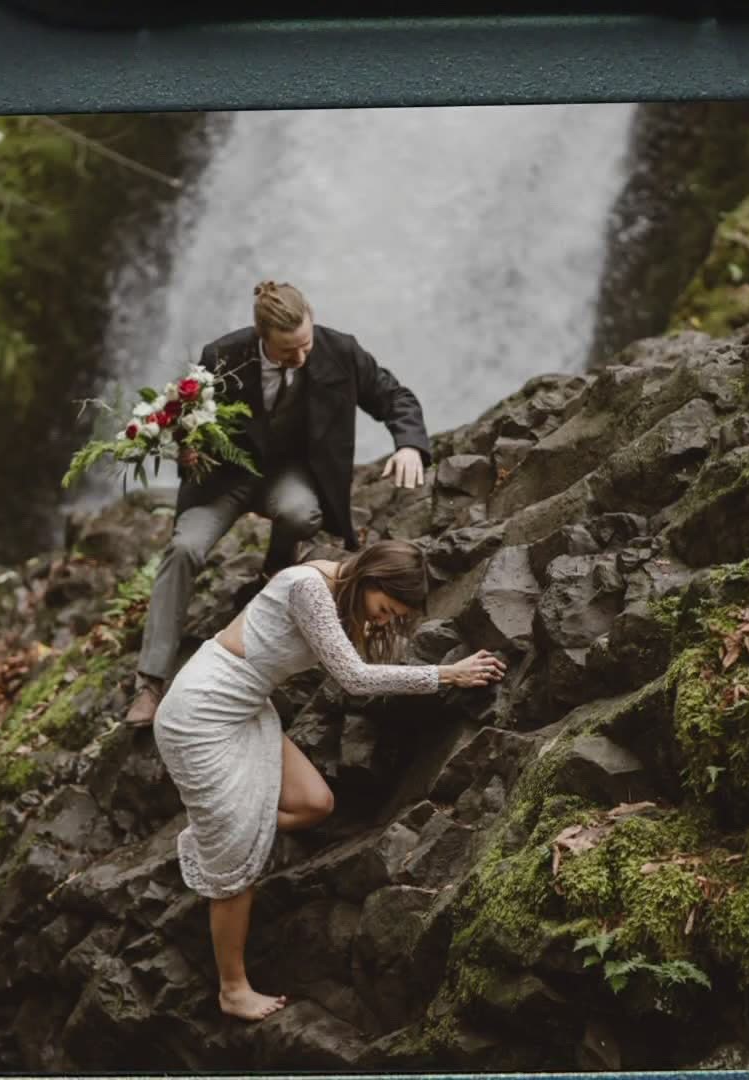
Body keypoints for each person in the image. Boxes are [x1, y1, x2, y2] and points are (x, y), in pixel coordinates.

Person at [151, 540, 507, 1021]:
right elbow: (355, 679)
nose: (383, 621)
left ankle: (223, 832)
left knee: (314, 804)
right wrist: (447, 675)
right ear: (369, 579)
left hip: (246, 708)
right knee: (235, 866)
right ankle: (232, 987)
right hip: (199, 716)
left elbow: (367, 655)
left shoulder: (341, 590)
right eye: (384, 609)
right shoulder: (309, 588)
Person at [125, 279, 433, 727]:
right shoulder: (223, 356)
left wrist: (409, 445)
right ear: (261, 337)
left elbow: (393, 396)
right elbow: (182, 422)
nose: (301, 358)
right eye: (289, 352)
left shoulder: (339, 350)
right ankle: (149, 681)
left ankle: (272, 575)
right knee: (184, 549)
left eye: (305, 344)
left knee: (301, 512)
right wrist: (187, 447)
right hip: (223, 479)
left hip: (288, 476)